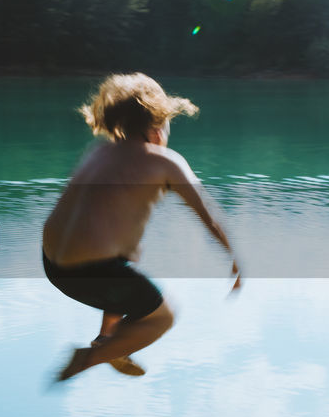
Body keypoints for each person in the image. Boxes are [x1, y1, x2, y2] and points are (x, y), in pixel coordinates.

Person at [43, 73, 241, 382]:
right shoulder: (166, 162)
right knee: (162, 318)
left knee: (129, 258)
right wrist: (235, 256)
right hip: (89, 272)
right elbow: (210, 217)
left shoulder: (99, 152)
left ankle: (108, 339)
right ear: (159, 122)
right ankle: (89, 358)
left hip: (53, 264)